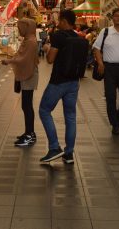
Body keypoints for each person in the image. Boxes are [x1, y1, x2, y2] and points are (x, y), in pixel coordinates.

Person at [39, 9, 82, 163]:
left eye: (59, 20)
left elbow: (50, 59)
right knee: (70, 117)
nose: (57, 23)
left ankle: (54, 147)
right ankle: (69, 153)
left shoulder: (58, 36)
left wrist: (46, 49)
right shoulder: (78, 37)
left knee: (44, 110)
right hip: (74, 82)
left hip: (58, 82)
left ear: (64, 21)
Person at [1, 18, 39, 146]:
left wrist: (10, 61)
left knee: (27, 105)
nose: (19, 30)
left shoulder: (31, 42)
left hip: (29, 75)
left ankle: (30, 135)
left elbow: (23, 59)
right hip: (28, 74)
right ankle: (29, 132)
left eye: (20, 27)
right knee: (26, 105)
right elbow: (21, 56)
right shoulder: (28, 40)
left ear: (27, 27)